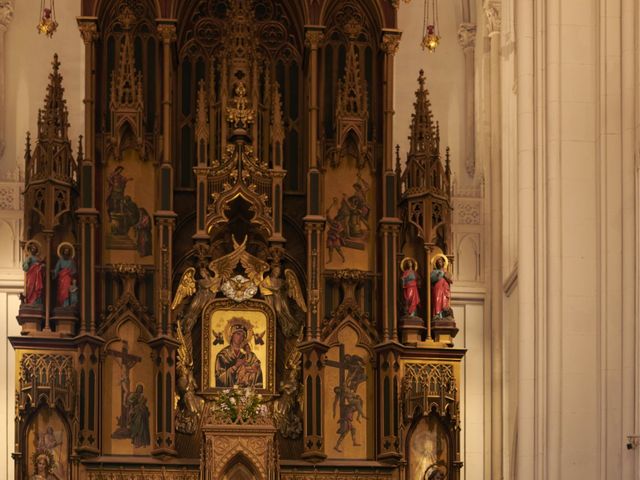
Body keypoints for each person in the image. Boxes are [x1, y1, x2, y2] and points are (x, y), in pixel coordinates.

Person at [215, 321, 263, 388]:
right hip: (228, 393)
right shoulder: (223, 355)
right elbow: (219, 379)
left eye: (243, 336)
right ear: (232, 335)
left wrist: (255, 368)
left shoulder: (249, 355)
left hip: (247, 391)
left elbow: (257, 370)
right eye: (238, 334)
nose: (240, 337)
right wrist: (235, 366)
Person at [430, 256, 453, 320]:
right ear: (436, 264)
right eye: (438, 262)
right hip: (437, 287)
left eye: (441, 262)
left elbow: (451, 280)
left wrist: (445, 275)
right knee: (437, 300)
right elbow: (431, 279)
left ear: (443, 263)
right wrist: (439, 275)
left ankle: (444, 315)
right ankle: (437, 314)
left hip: (445, 288)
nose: (439, 263)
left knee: (444, 301)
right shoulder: (434, 272)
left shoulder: (446, 271)